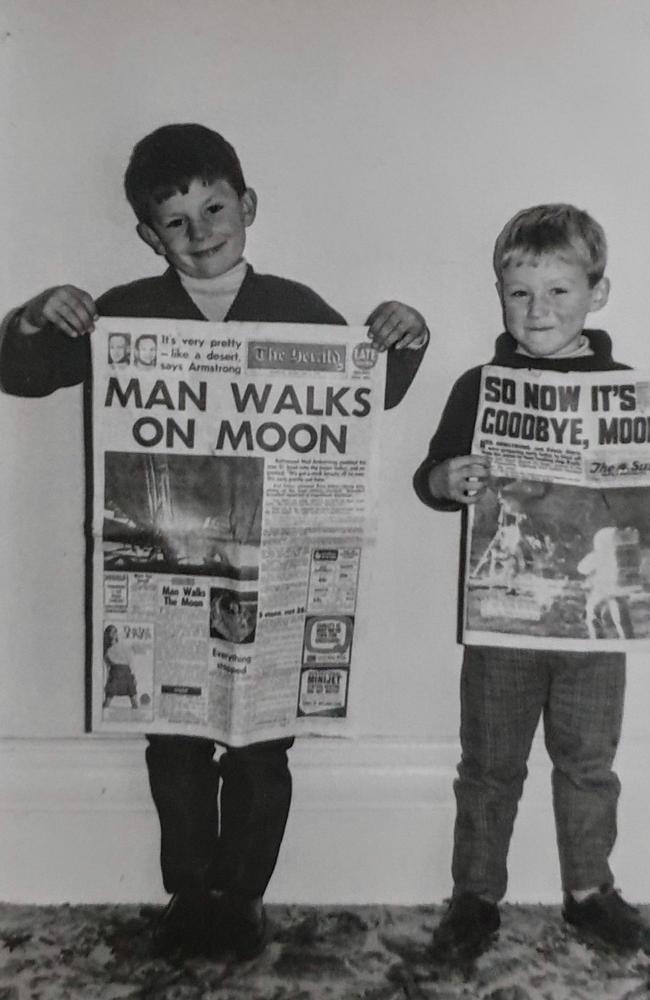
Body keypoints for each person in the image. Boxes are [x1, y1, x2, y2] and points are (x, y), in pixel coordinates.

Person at [0, 123, 429, 961]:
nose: (199, 232)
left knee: (265, 749)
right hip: (169, 567)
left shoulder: (300, 309)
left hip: (277, 567)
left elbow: (368, 395)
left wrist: (405, 334)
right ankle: (190, 892)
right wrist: (32, 316)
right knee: (177, 739)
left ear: (248, 206)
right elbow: (23, 375)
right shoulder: (120, 312)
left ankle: (244, 895)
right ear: (146, 235)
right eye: (175, 220)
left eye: (214, 207)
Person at [413, 204, 649, 963]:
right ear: (499, 293)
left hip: (593, 624)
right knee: (488, 766)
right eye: (520, 293)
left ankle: (590, 892)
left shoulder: (627, 392)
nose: (537, 309)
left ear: (597, 294)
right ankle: (475, 897)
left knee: (588, 765)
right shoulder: (480, 387)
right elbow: (432, 476)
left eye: (558, 291)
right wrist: (447, 478)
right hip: (504, 619)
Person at [103, 624, 138, 709]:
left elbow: (130, 659)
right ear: (108, 634)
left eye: (116, 631)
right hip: (115, 672)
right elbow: (107, 663)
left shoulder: (122, 644)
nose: (115, 633)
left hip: (126, 672)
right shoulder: (105, 648)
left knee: (133, 699)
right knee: (108, 699)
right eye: (112, 631)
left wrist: (133, 675)